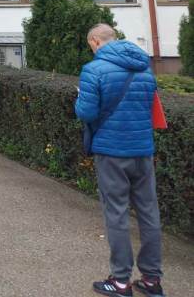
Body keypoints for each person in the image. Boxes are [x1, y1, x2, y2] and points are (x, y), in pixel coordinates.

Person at [76, 24, 164, 297]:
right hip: (142, 151)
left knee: (116, 214)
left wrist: (79, 98)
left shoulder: (94, 70)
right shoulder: (144, 68)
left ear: (95, 41)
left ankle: (121, 281)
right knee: (149, 213)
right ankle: (151, 280)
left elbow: (86, 113)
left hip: (112, 152)